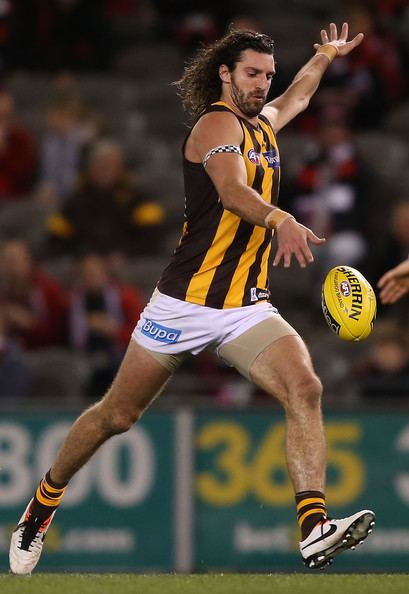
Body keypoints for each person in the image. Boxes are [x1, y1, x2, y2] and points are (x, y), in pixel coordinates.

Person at [9, 23, 375, 575]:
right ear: (225, 73)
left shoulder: (264, 125)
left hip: (245, 306)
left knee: (305, 386)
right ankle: (40, 507)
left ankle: (313, 529)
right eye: (252, 73)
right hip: (183, 303)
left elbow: (298, 95)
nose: (262, 84)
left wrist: (322, 57)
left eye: (267, 75)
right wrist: (281, 218)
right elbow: (231, 191)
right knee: (117, 416)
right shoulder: (215, 125)